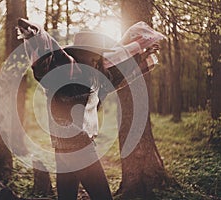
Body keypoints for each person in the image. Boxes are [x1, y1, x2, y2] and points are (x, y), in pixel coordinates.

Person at [16, 18, 164, 200]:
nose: (97, 59)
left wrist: (144, 58)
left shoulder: (96, 77)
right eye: (92, 55)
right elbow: (50, 56)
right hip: (77, 145)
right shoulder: (69, 71)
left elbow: (119, 75)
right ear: (80, 54)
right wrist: (36, 35)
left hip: (67, 148)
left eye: (99, 55)